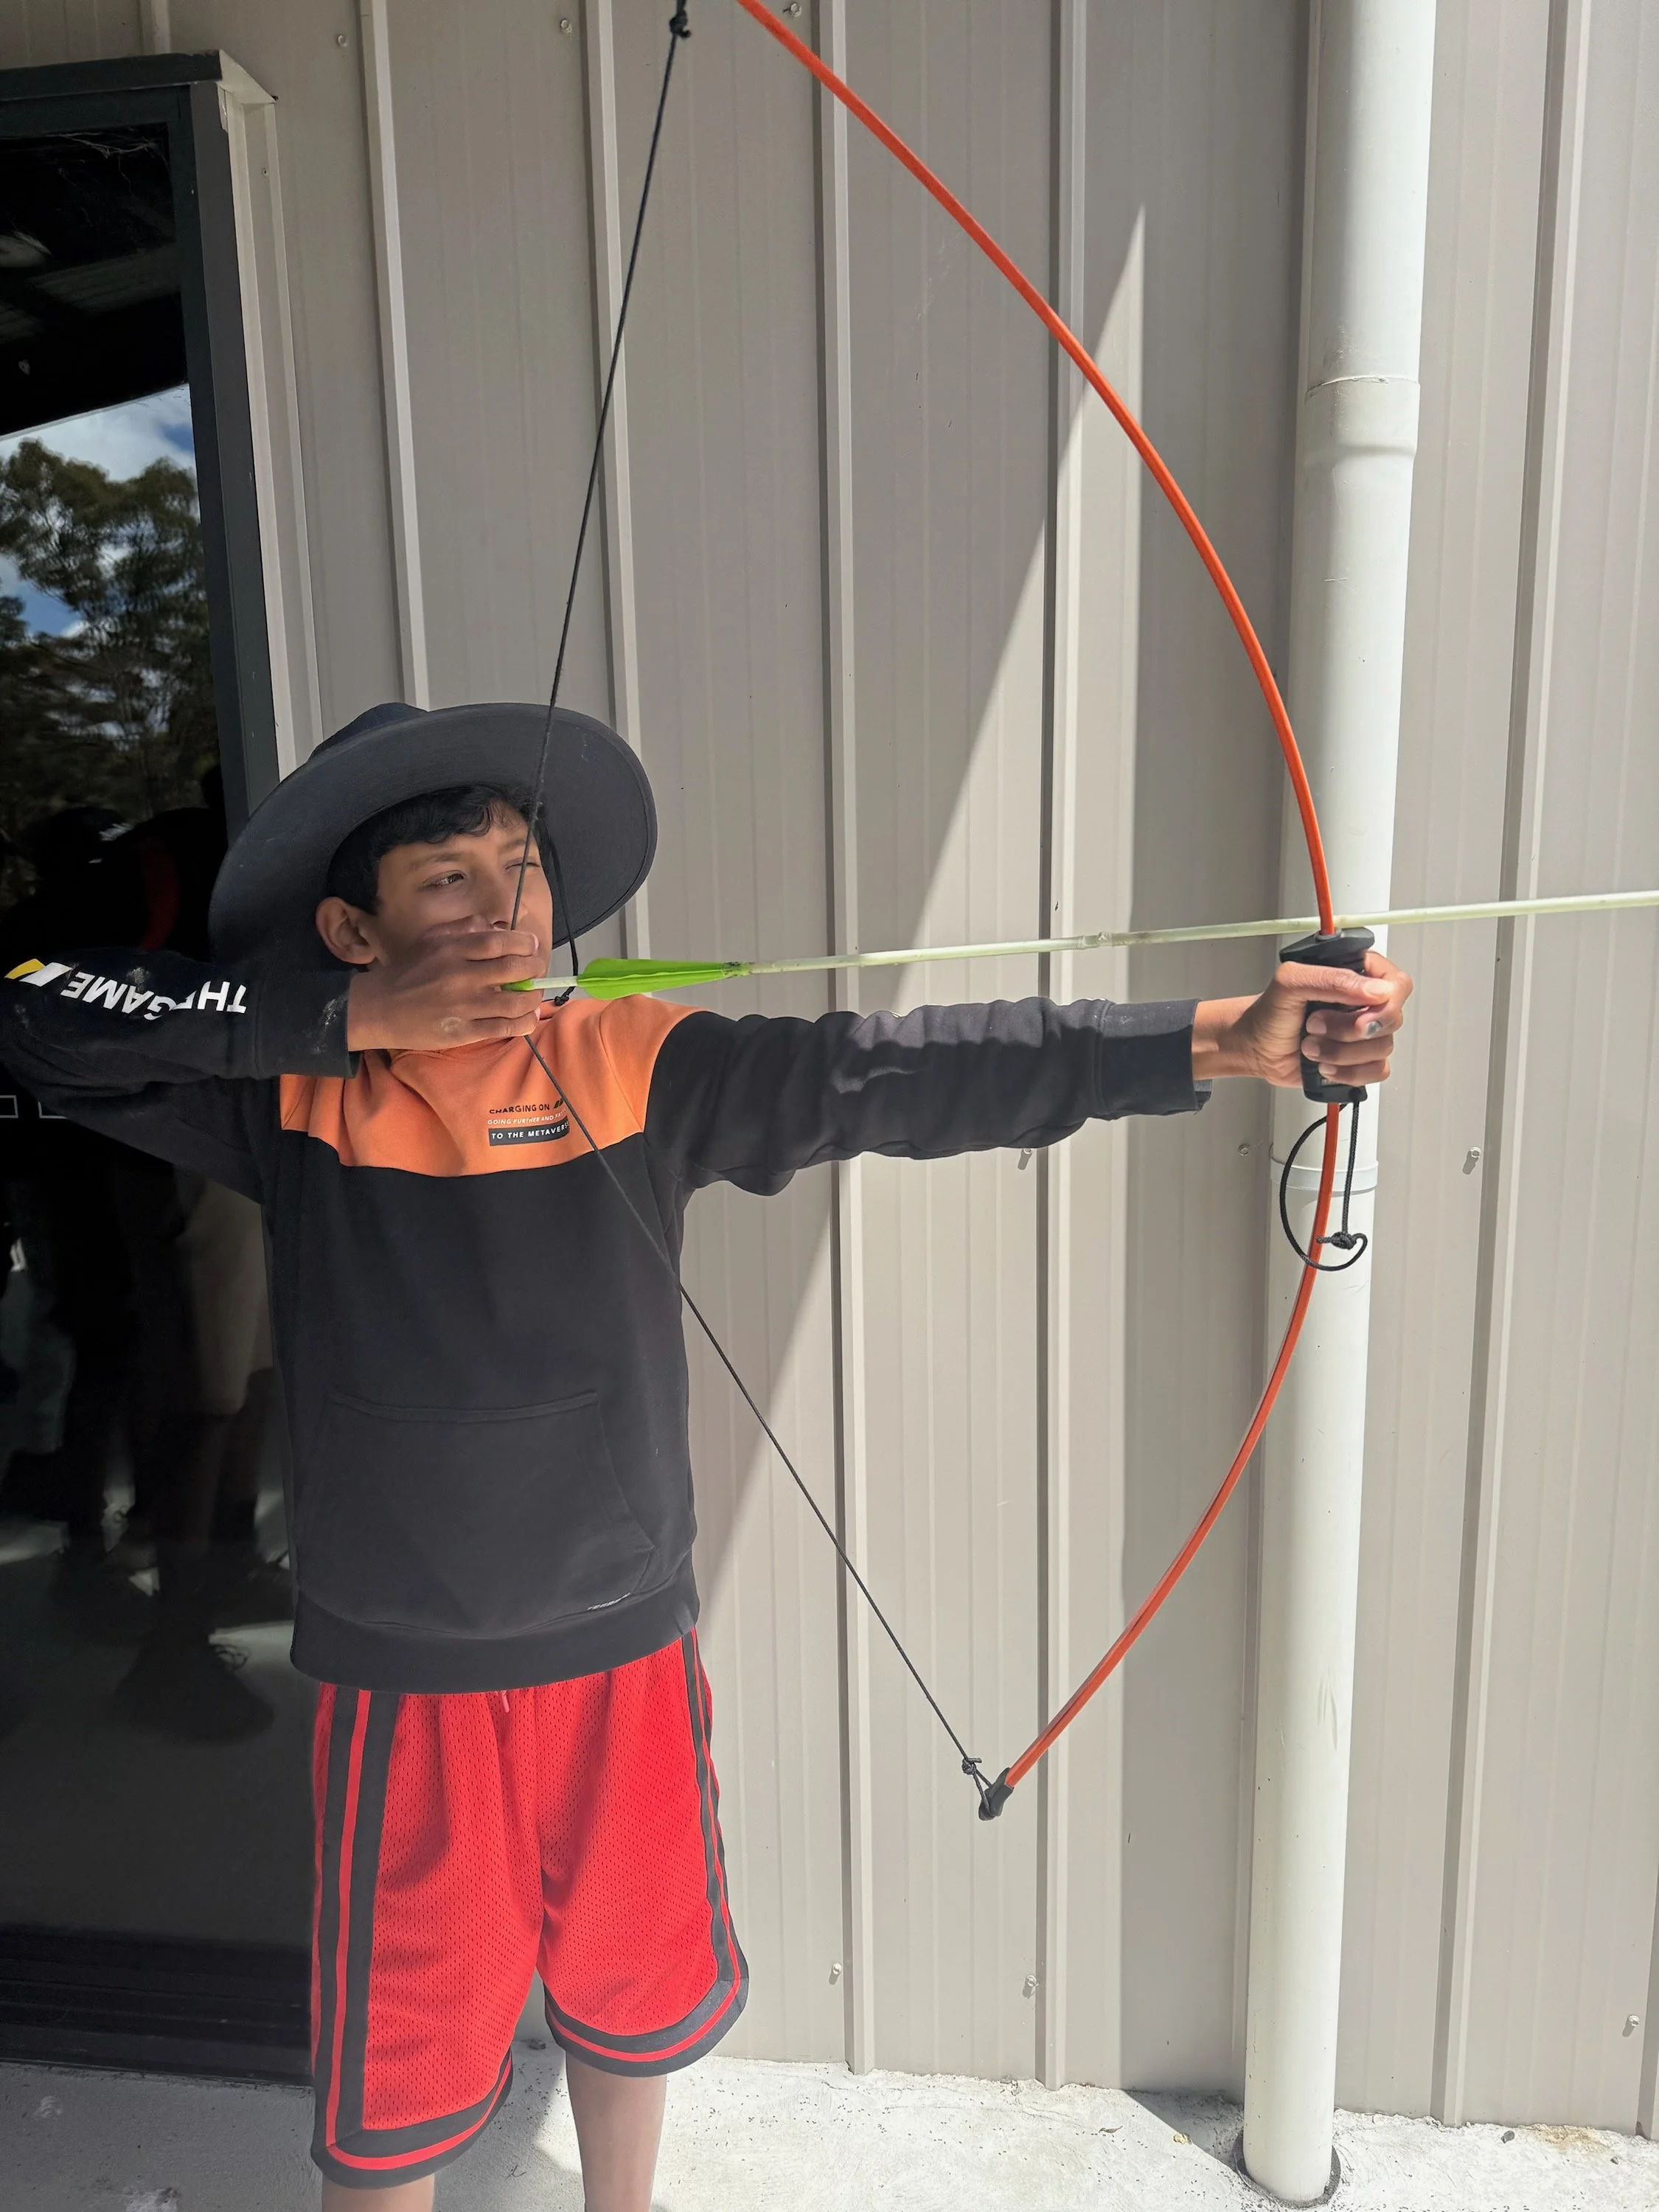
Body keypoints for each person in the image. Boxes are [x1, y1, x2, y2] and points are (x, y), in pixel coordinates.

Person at [0, 700, 1411, 2211]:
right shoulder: (292, 1091)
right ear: (354, 930)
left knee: (634, 1985)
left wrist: (1223, 1039)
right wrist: (337, 1021)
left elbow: (898, 1069)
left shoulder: (628, 1055)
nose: (500, 910)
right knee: (400, 2063)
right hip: (404, 1671)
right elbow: (31, 1004)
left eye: (520, 870)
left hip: (621, 1642)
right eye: (446, 881)